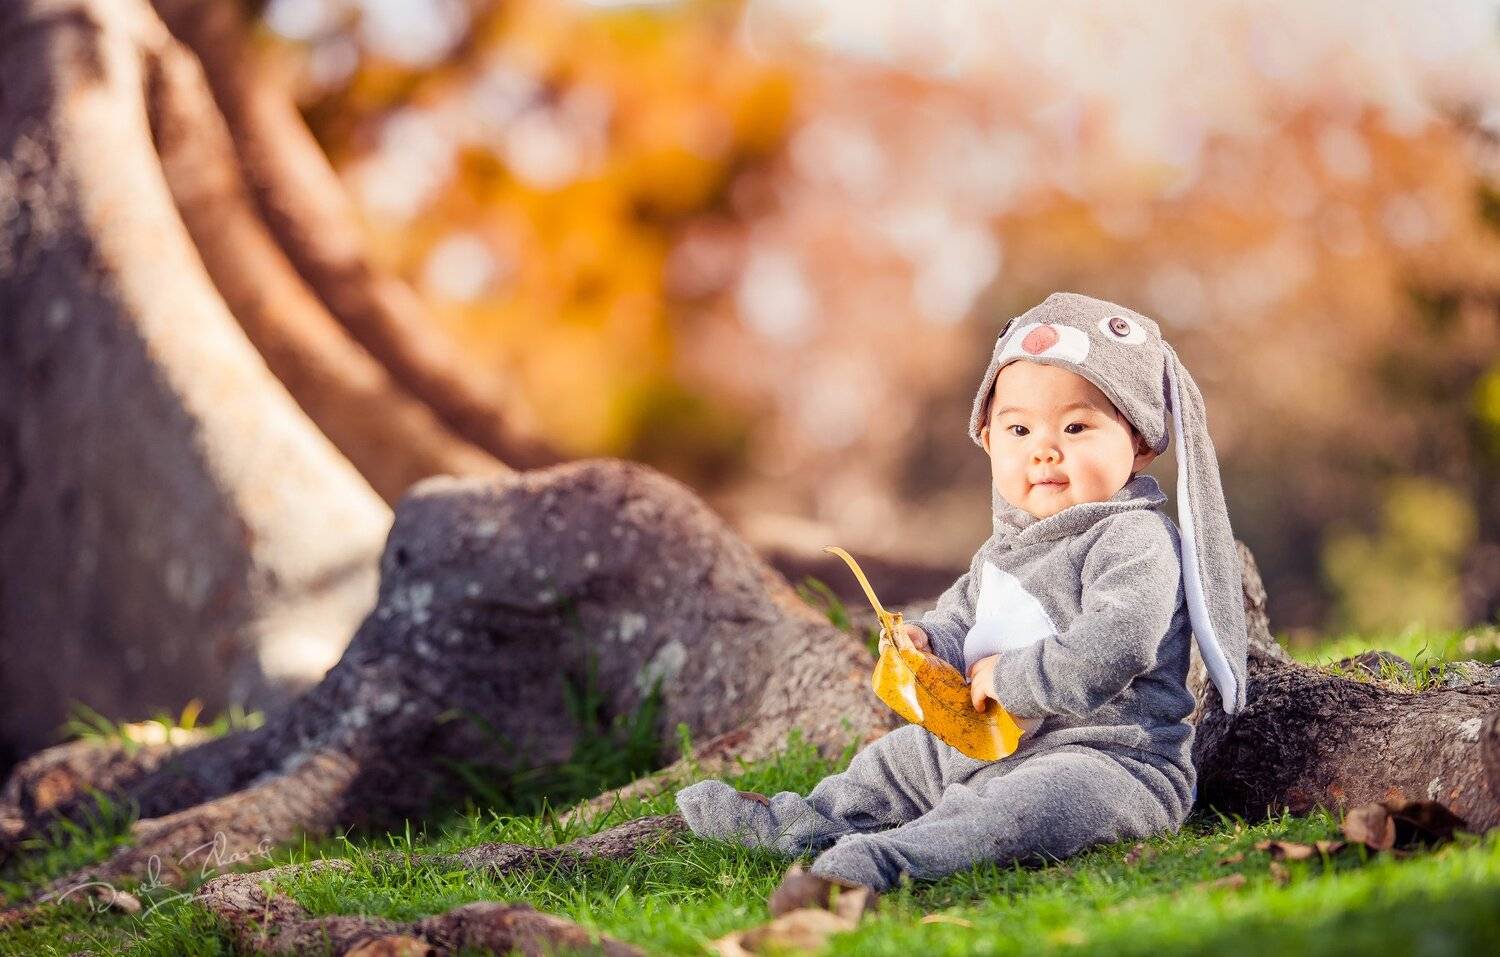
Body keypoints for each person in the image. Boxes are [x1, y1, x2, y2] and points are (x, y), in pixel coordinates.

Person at [676, 292, 1249, 910]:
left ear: (1139, 443)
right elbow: (962, 622)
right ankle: (800, 823)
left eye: (1077, 427)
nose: (1045, 449)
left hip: (1108, 757)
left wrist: (1014, 678)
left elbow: (1118, 642)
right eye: (1020, 428)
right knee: (895, 762)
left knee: (1028, 805)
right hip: (988, 740)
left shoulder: (1132, 537)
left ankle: (889, 861)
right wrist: (928, 643)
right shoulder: (1003, 550)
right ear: (988, 438)